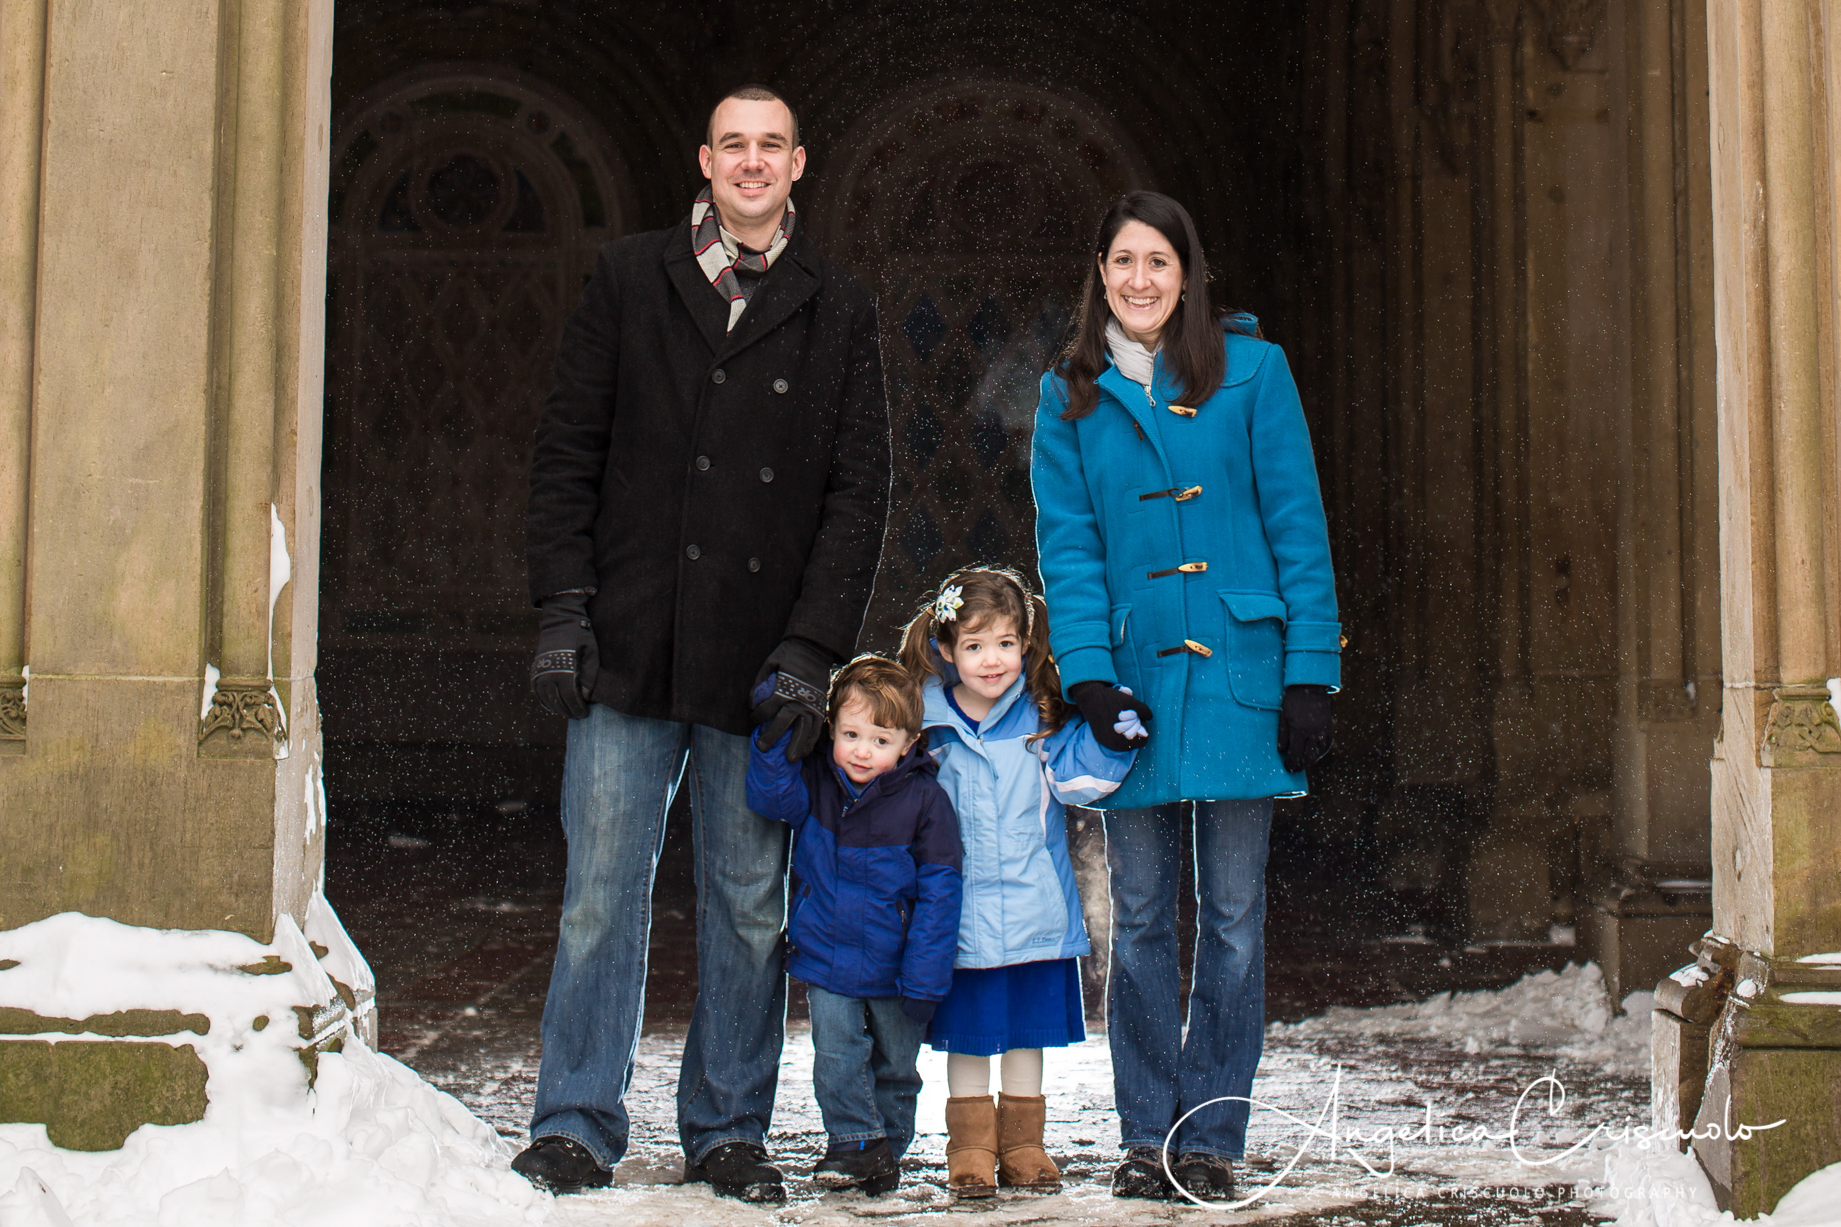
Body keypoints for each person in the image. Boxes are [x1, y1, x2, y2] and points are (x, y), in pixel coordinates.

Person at [519, 84, 890, 1201]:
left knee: (746, 904)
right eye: (733, 145)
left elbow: (856, 493)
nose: (750, 163)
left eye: (769, 147)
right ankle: (576, 1121)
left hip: (759, 663)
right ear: (705, 158)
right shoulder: (631, 276)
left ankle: (727, 1128)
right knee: (600, 894)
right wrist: (561, 609)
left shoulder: (838, 305)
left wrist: (811, 650)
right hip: (628, 642)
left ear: (797, 164)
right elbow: (567, 451)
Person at [1030, 190, 1340, 1201]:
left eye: (1156, 261)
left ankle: (1210, 1132)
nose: (1137, 280)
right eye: (1121, 261)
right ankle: (1140, 1132)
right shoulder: (1064, 396)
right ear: (1099, 274)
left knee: (1236, 913)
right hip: (1133, 684)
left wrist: (1309, 674)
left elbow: (1296, 522)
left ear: (1186, 273)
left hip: (1244, 674)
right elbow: (1068, 546)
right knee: (1141, 916)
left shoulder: (1255, 371)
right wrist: (1082, 672)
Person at [897, 567, 1137, 1198]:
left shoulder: (1042, 718)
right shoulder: (923, 726)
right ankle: (970, 1149)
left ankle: (1026, 1145)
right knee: (971, 1037)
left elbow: (1081, 781)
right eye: (974, 646)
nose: (992, 660)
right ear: (946, 650)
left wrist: (1114, 741)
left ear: (1026, 646)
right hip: (960, 916)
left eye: (1005, 643)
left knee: (1026, 1035)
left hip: (1035, 908)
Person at [744, 656, 962, 1196]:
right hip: (827, 955)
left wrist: (926, 977)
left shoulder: (926, 803)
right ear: (831, 729)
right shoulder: (817, 781)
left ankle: (885, 1146)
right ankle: (852, 1141)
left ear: (908, 744)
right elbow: (771, 799)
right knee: (837, 1056)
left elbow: (940, 894)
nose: (862, 751)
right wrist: (775, 733)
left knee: (895, 1066)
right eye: (850, 734)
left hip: (897, 965)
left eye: (880, 740)